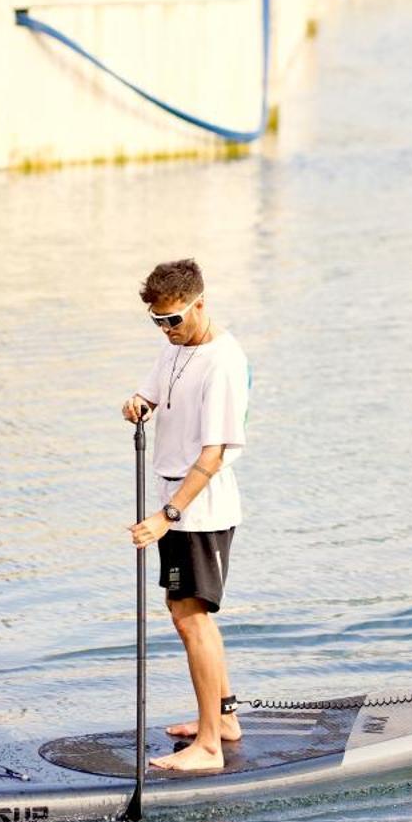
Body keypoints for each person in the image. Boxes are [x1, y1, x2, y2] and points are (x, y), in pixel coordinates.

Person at [123, 258, 250, 775]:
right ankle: (222, 720)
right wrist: (136, 402)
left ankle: (209, 747)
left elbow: (214, 454)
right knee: (186, 617)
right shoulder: (173, 345)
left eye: (173, 319)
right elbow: (153, 392)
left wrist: (167, 515)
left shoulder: (223, 361)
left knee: (191, 619)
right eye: (157, 321)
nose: (166, 330)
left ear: (200, 303)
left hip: (199, 510)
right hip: (176, 505)